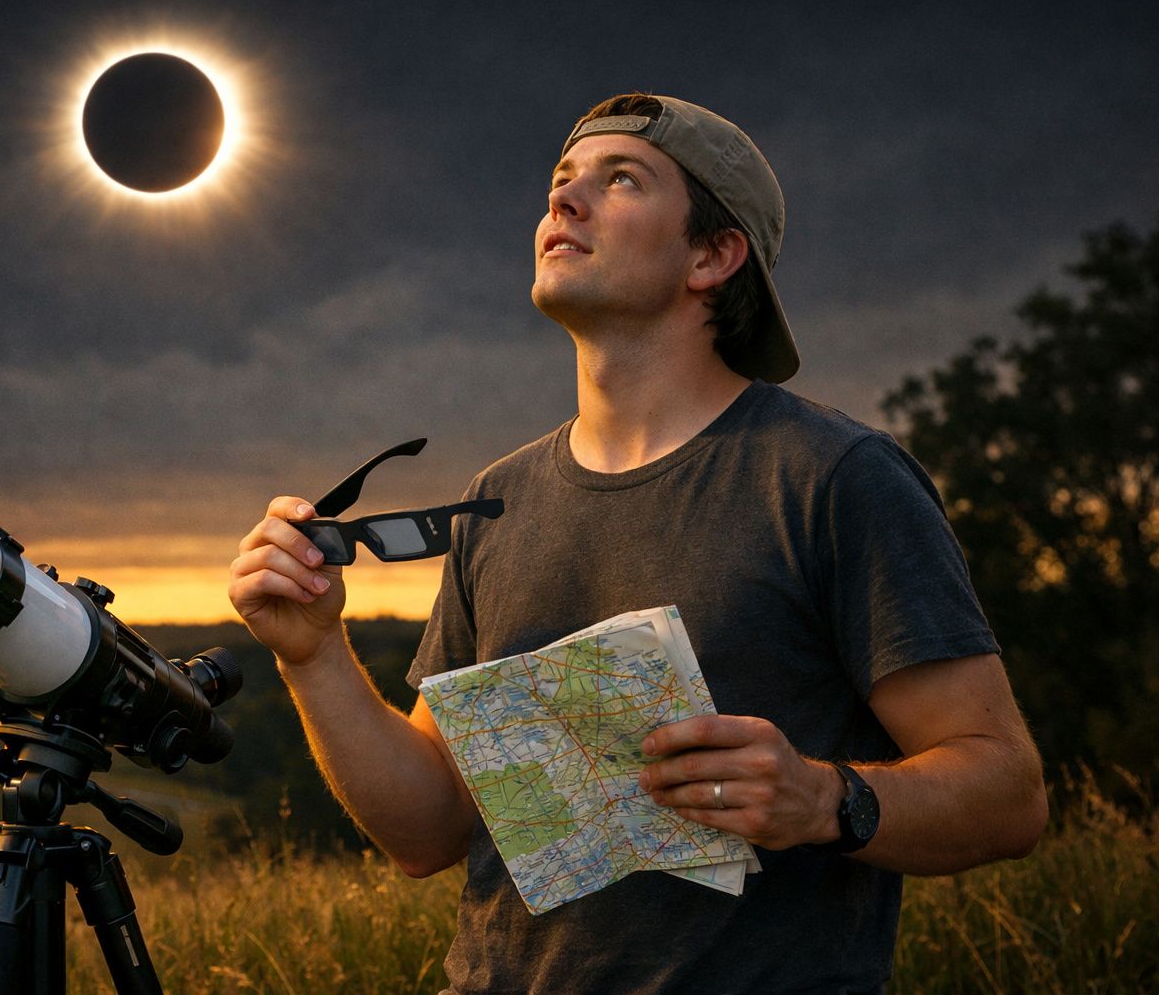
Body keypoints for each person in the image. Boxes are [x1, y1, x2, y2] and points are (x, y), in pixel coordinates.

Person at [228, 92, 1047, 994]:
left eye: (621, 181)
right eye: (560, 182)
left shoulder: (833, 476)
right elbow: (430, 830)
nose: (563, 204)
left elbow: (1008, 794)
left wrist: (825, 799)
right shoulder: (499, 499)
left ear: (712, 255)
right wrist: (312, 657)